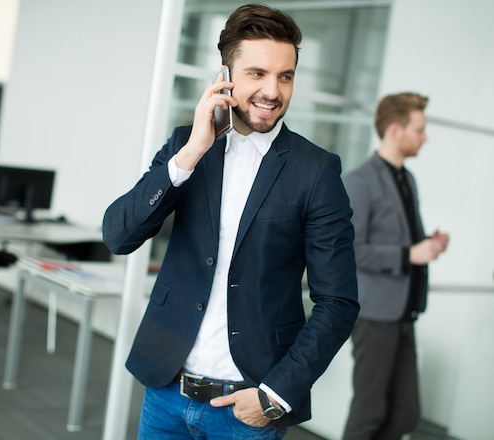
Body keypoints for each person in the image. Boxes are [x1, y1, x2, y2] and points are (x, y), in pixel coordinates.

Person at [103, 4, 359, 439]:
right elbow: (118, 235)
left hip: (248, 408)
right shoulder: (188, 145)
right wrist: (190, 155)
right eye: (257, 73)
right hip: (166, 392)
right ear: (226, 76)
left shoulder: (315, 171)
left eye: (285, 76)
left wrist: (275, 396)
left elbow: (338, 302)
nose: (273, 91)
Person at [342, 92, 450, 440]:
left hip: (404, 312)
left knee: (406, 413)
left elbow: (405, 240)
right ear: (394, 130)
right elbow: (351, 250)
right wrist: (408, 255)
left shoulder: (408, 179)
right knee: (368, 413)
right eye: (419, 129)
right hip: (374, 316)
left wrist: (430, 245)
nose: (425, 137)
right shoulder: (360, 181)